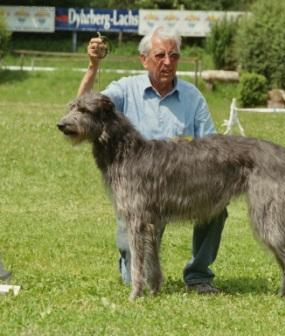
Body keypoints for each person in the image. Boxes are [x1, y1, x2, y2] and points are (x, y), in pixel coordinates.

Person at [77, 26, 227, 294]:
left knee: (217, 207)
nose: (167, 62)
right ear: (144, 59)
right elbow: (83, 108)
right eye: (159, 55)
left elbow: (211, 144)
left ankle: (198, 275)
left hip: (182, 182)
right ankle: (132, 262)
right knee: (134, 278)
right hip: (141, 187)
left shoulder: (193, 96)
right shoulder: (126, 88)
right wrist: (92, 67)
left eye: (174, 55)